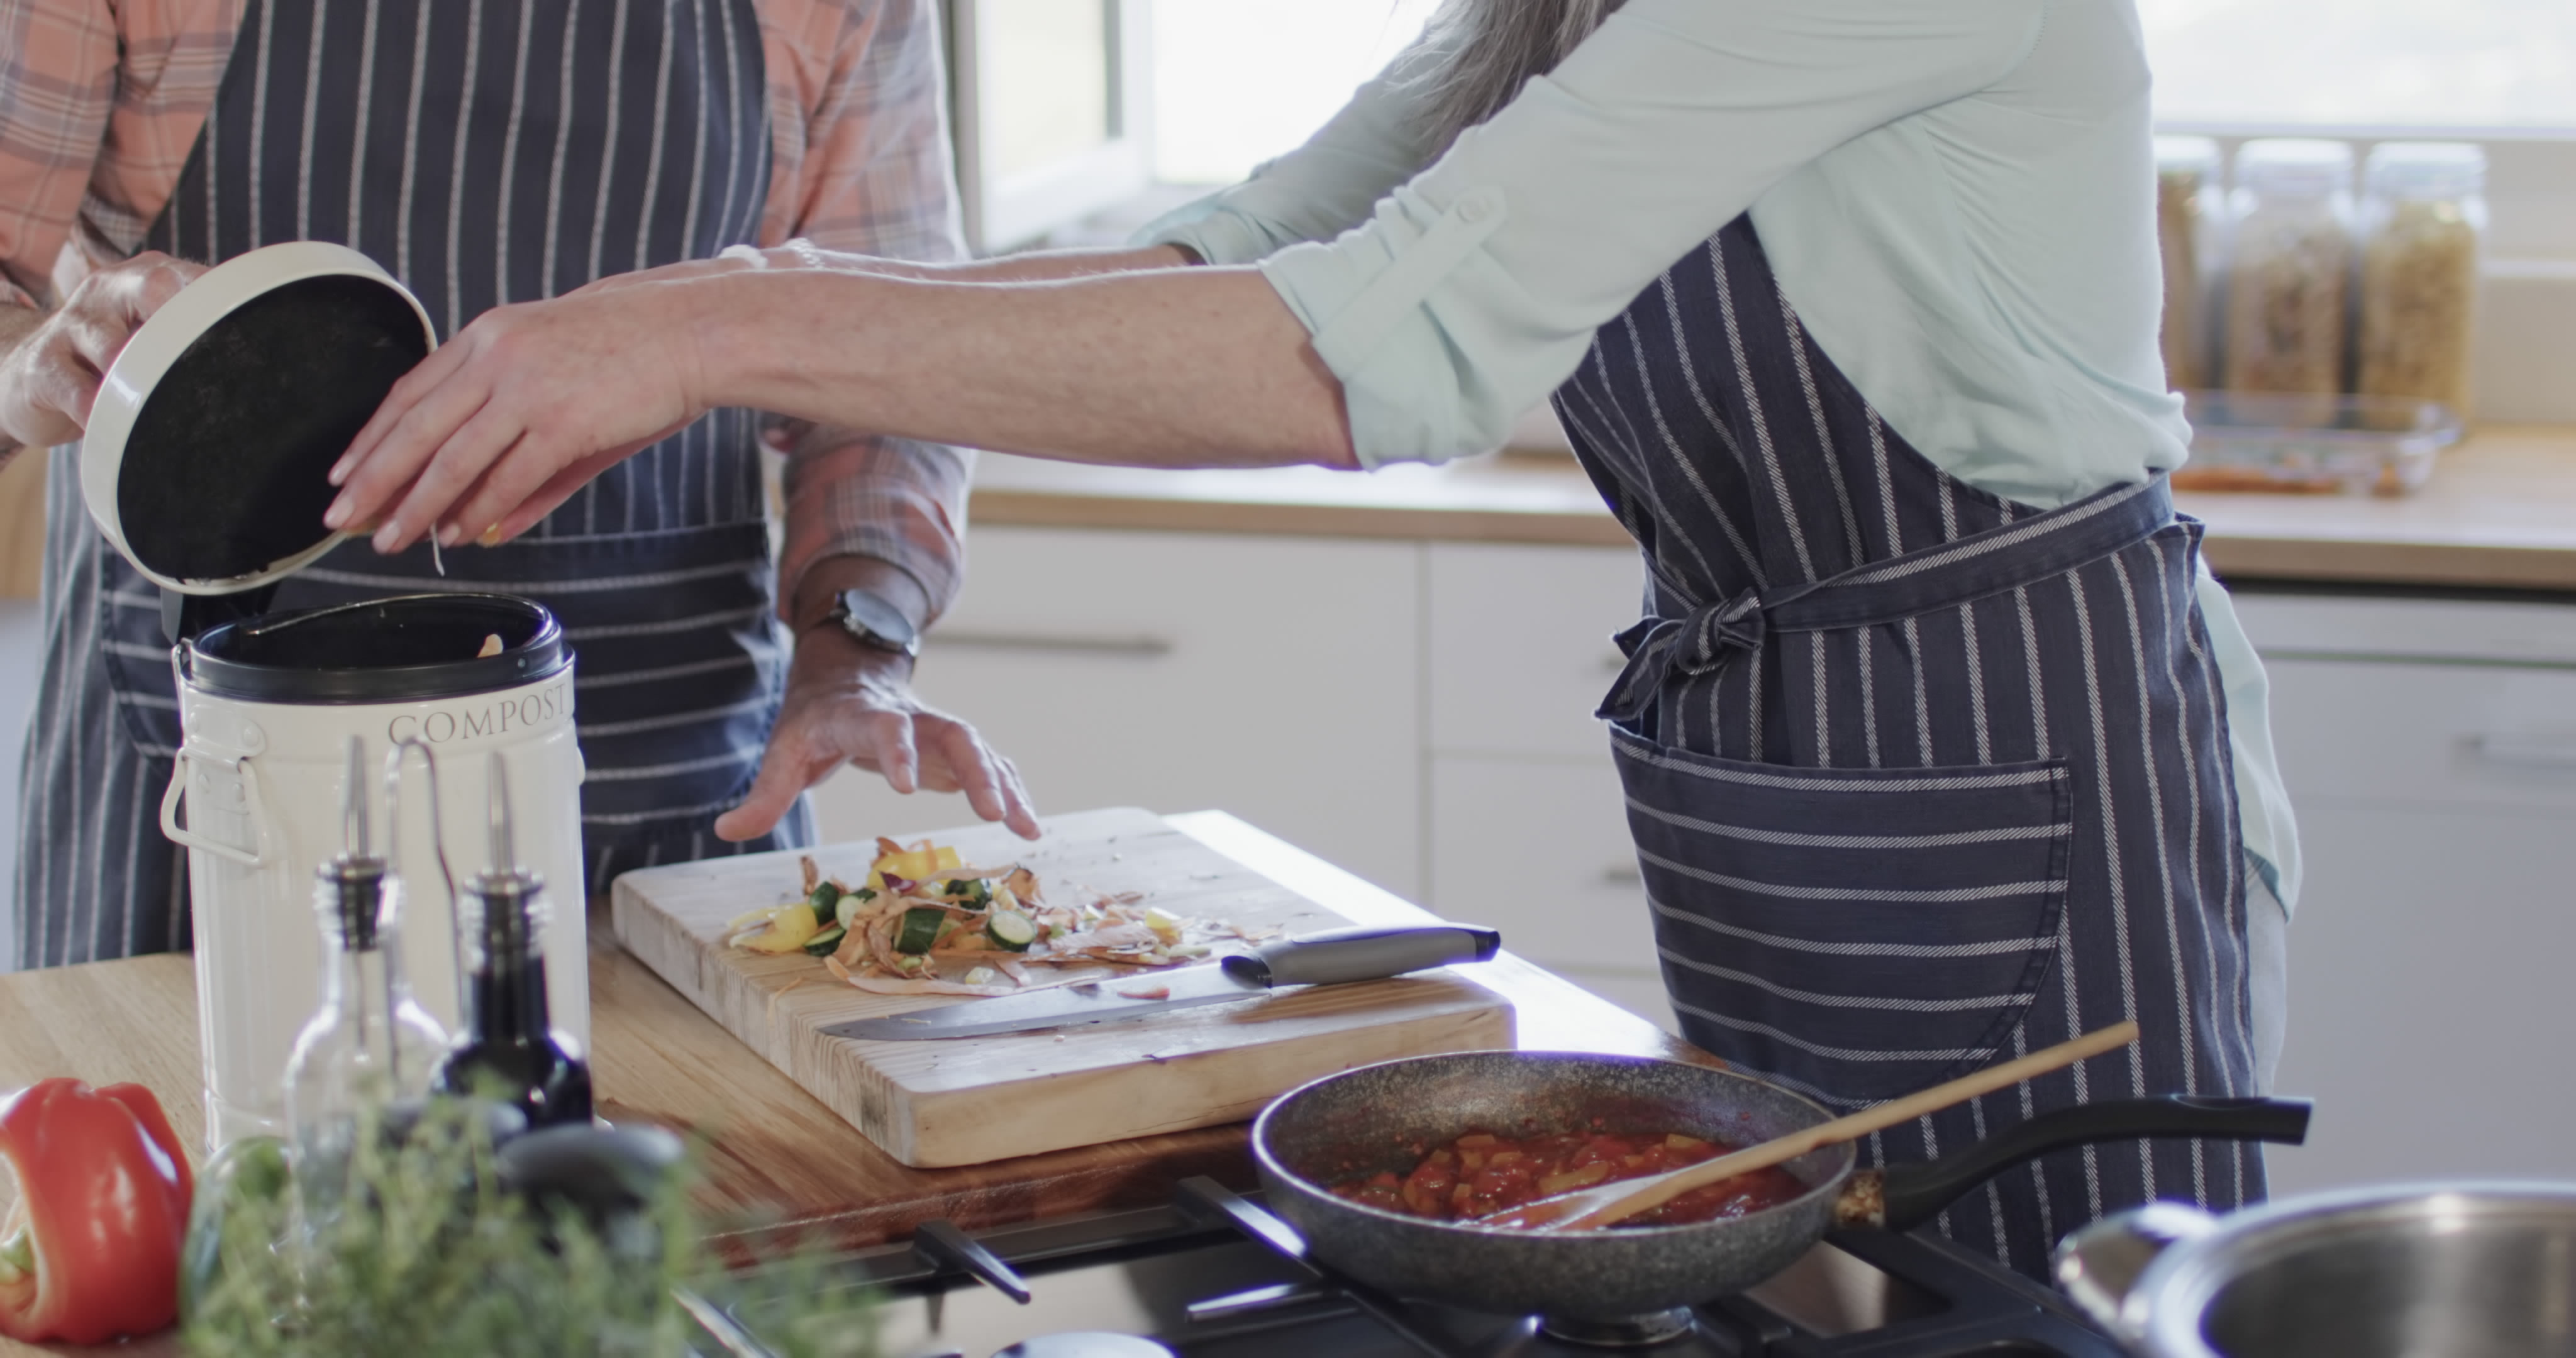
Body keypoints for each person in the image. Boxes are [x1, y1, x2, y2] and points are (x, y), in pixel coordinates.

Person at [317, 0, 2301, 1275]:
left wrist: (724, 326)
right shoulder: (1566, 12)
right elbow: (1252, 250)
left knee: (2036, 1308)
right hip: (1776, 755)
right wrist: (748, 306)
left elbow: (1367, 354)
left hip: (2022, 763)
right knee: (1768, 1291)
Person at [0, 0, 1037, 971]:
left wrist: (853, 648)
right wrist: (28, 369)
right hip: (202, 797)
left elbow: (877, 371)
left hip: (661, 810)